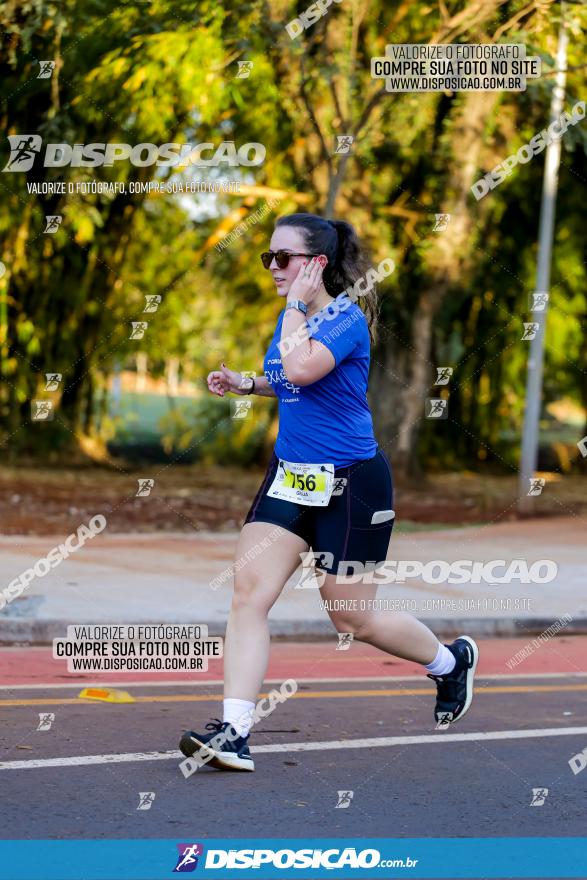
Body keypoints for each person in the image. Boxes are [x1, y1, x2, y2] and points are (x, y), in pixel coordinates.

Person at [179, 212, 479, 772]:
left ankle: (449, 662)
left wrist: (295, 306)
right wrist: (247, 383)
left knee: (352, 619)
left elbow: (303, 364)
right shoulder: (292, 314)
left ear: (316, 265)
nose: (272, 267)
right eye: (268, 257)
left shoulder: (344, 320)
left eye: (283, 258)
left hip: (352, 484)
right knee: (249, 593)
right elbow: (291, 379)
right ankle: (234, 731)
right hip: (291, 475)